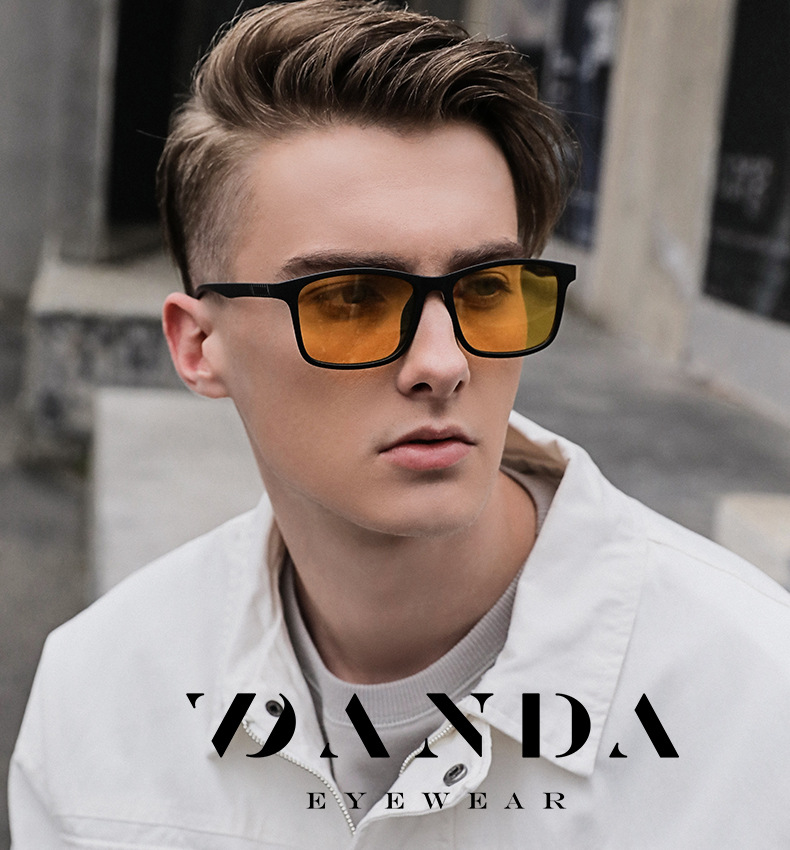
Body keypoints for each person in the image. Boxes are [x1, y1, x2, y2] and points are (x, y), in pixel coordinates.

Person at [9, 1, 790, 847]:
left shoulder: (753, 700)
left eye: (486, 289)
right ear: (200, 346)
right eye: (350, 299)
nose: (443, 363)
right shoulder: (101, 699)